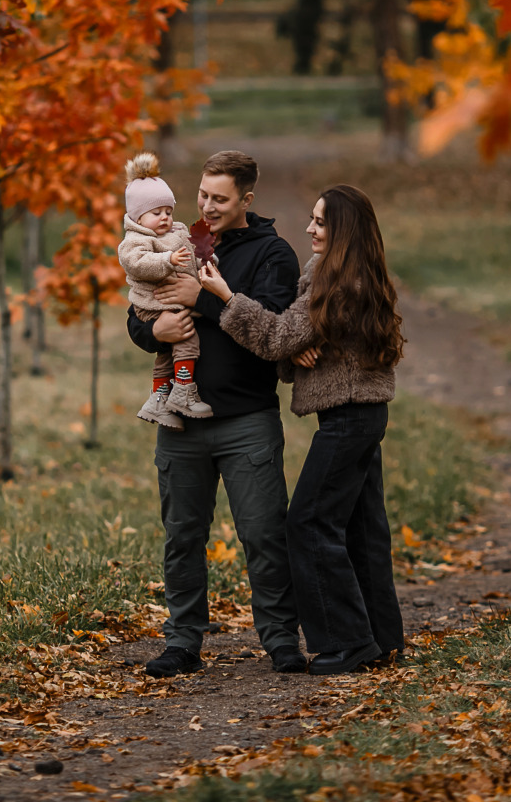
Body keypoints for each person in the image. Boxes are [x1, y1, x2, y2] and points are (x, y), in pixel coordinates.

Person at [196, 184, 406, 675]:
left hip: (350, 416)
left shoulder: (338, 283)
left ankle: (346, 643)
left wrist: (226, 296)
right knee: (362, 527)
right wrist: (294, 349)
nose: (310, 229)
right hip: (358, 413)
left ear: (344, 231)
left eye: (320, 222)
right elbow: (293, 343)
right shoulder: (344, 274)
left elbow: (275, 337)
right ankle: (380, 638)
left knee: (309, 523)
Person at [126, 150, 307, 678]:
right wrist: (149, 333)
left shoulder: (273, 254)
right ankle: (182, 641)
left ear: (247, 199)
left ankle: (280, 640)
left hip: (247, 420)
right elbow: (143, 304)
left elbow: (274, 330)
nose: (206, 206)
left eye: (219, 199)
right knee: (182, 537)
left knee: (263, 534)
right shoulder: (182, 237)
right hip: (180, 422)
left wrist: (203, 300)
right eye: (202, 194)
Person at [118, 152, 213, 427]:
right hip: (153, 306)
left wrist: (205, 260)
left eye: (168, 212)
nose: (164, 218)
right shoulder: (134, 241)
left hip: (166, 306)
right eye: (156, 213)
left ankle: (158, 398)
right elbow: (137, 264)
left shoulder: (176, 233)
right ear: (137, 216)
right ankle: (183, 390)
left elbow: (191, 256)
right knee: (186, 340)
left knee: (165, 354)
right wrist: (167, 261)